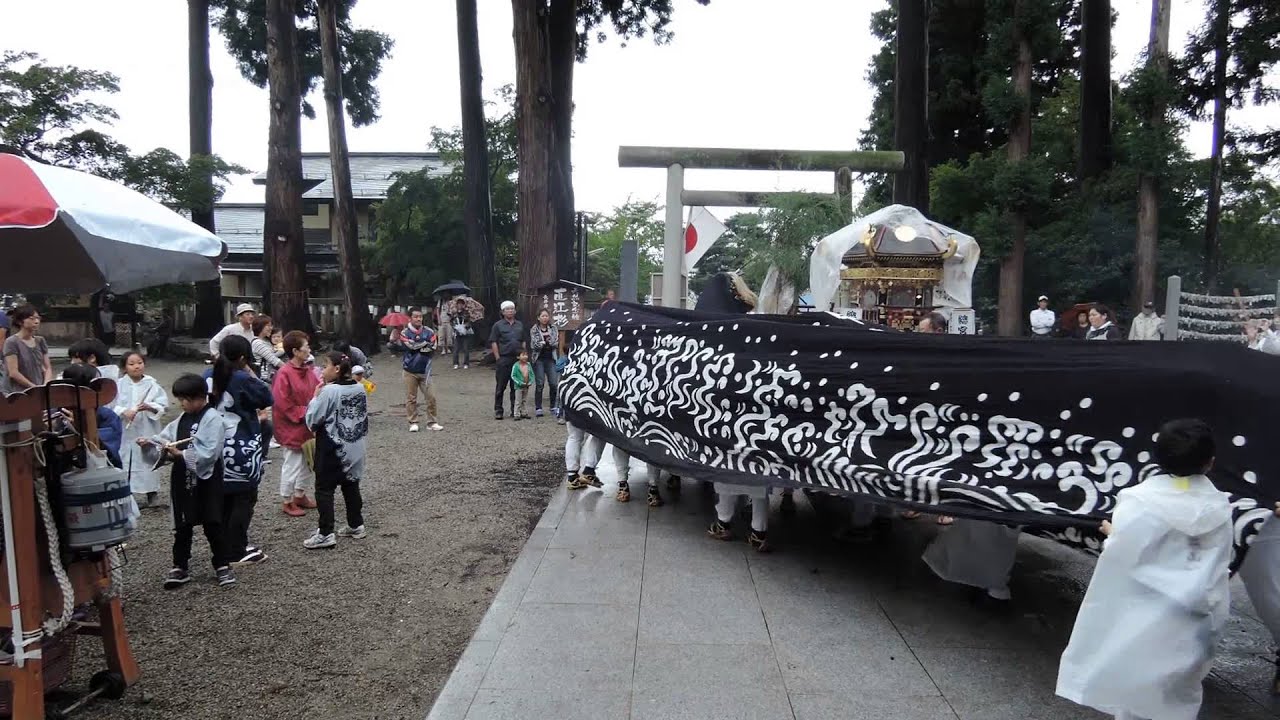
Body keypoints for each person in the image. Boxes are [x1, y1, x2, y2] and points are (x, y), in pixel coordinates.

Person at [1056, 418, 1231, 720]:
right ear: (1210, 463)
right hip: (1195, 615)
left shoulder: (1142, 500)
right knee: (1176, 691)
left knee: (1137, 680)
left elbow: (1127, 552)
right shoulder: (1219, 506)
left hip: (1147, 612)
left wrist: (1113, 534)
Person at [138, 373, 236, 589]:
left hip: (207, 479)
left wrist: (181, 454)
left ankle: (222, 564)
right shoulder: (180, 420)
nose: (182, 404)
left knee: (213, 522)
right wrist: (150, 444)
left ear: (201, 397)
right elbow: (163, 439)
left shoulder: (213, 419)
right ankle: (180, 565)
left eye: (186, 399)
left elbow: (209, 453)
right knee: (182, 523)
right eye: (180, 399)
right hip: (183, 477)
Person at [204, 336, 274, 565]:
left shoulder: (207, 377)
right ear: (243, 357)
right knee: (244, 497)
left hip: (214, 445)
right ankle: (237, 548)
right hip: (241, 444)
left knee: (223, 497)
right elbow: (266, 397)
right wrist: (249, 371)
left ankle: (222, 545)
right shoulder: (243, 378)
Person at [302, 351, 370, 549]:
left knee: (324, 488)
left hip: (334, 445)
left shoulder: (329, 392)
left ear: (337, 369)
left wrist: (315, 398)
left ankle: (325, 532)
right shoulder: (359, 388)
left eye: (326, 366)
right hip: (355, 444)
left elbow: (312, 420)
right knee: (351, 485)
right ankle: (356, 524)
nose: (323, 370)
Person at [272, 331, 321, 517]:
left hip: (307, 423)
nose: (309, 349)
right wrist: (307, 412)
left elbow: (318, 388)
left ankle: (300, 494)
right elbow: (282, 403)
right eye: (305, 347)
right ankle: (287, 499)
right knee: (292, 463)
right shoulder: (284, 373)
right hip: (292, 425)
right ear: (295, 351)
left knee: (309, 461)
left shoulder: (308, 370)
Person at [113, 351, 169, 507]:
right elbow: (111, 404)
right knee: (127, 459)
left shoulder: (152, 384)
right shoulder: (118, 385)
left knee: (148, 458)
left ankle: (152, 494)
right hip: (126, 429)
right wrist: (124, 411)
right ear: (124, 367)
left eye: (139, 363)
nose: (136, 367)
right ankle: (127, 495)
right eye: (131, 364)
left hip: (147, 428)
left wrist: (151, 407)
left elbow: (163, 405)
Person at [60, 363, 123, 468]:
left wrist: (79, 426)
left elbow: (108, 448)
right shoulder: (59, 410)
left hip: (100, 471)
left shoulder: (106, 415)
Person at [398, 308, 443, 433]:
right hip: (409, 369)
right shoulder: (405, 332)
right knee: (411, 397)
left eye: (420, 317)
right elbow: (410, 346)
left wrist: (422, 346)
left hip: (425, 369)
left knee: (431, 396)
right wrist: (424, 344)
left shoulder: (428, 331)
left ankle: (432, 422)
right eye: (416, 316)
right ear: (410, 318)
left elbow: (433, 346)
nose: (418, 319)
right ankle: (413, 421)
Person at [3, 304, 53, 394]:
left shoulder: (40, 340)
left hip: (40, 390)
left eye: (38, 318)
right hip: (18, 393)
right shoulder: (11, 342)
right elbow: (13, 372)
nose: (36, 321)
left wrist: (45, 385)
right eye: (32, 318)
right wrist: (33, 388)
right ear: (20, 321)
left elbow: (47, 367)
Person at [489, 301, 524, 420]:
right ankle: (498, 410)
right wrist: (497, 357)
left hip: (518, 358)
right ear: (503, 312)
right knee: (501, 386)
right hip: (504, 358)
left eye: (512, 309)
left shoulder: (519, 324)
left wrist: (524, 354)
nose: (510, 311)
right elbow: (494, 341)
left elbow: (523, 340)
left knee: (516, 386)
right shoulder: (498, 325)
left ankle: (515, 410)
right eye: (507, 309)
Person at [528, 310, 561, 420]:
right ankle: (538, 407)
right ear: (538, 317)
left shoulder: (553, 328)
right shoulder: (534, 329)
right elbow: (534, 345)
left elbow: (555, 342)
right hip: (539, 359)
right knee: (540, 383)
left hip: (551, 358)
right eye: (543, 316)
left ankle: (553, 406)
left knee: (553, 383)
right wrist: (545, 343)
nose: (545, 318)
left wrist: (545, 343)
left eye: (547, 316)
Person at [250, 315, 283, 384]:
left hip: (273, 378)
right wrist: (291, 371)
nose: (271, 328)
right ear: (260, 326)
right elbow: (274, 360)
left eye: (271, 326)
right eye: (268, 326)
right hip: (264, 380)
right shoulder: (258, 343)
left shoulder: (267, 341)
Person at [448, 296, 475, 369]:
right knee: (456, 349)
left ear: (464, 305)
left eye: (461, 304)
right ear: (456, 305)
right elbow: (451, 321)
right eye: (458, 304)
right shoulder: (453, 313)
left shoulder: (467, 313)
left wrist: (465, 326)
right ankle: (455, 363)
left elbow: (470, 322)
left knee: (466, 349)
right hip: (457, 333)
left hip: (465, 333)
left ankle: (466, 363)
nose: (460, 305)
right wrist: (455, 327)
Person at [510, 350, 534, 420]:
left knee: (524, 400)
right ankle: (516, 414)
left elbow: (532, 374)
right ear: (518, 357)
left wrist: (531, 381)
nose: (525, 357)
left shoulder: (528, 365)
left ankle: (524, 412)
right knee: (518, 400)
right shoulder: (516, 365)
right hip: (518, 386)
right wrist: (519, 382)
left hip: (526, 385)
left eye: (526, 355)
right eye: (523, 355)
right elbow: (513, 376)